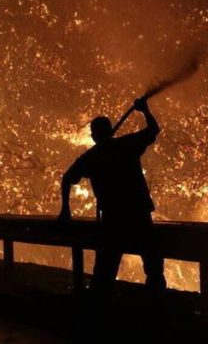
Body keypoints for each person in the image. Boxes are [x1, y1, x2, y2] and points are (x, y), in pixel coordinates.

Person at [58, 97, 166, 294]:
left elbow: (67, 178)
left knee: (105, 270)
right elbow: (153, 130)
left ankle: (100, 309)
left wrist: (65, 208)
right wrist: (145, 110)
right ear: (109, 131)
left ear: (93, 137)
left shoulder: (91, 158)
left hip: (113, 218)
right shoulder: (126, 146)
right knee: (153, 266)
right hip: (138, 214)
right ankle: (156, 305)